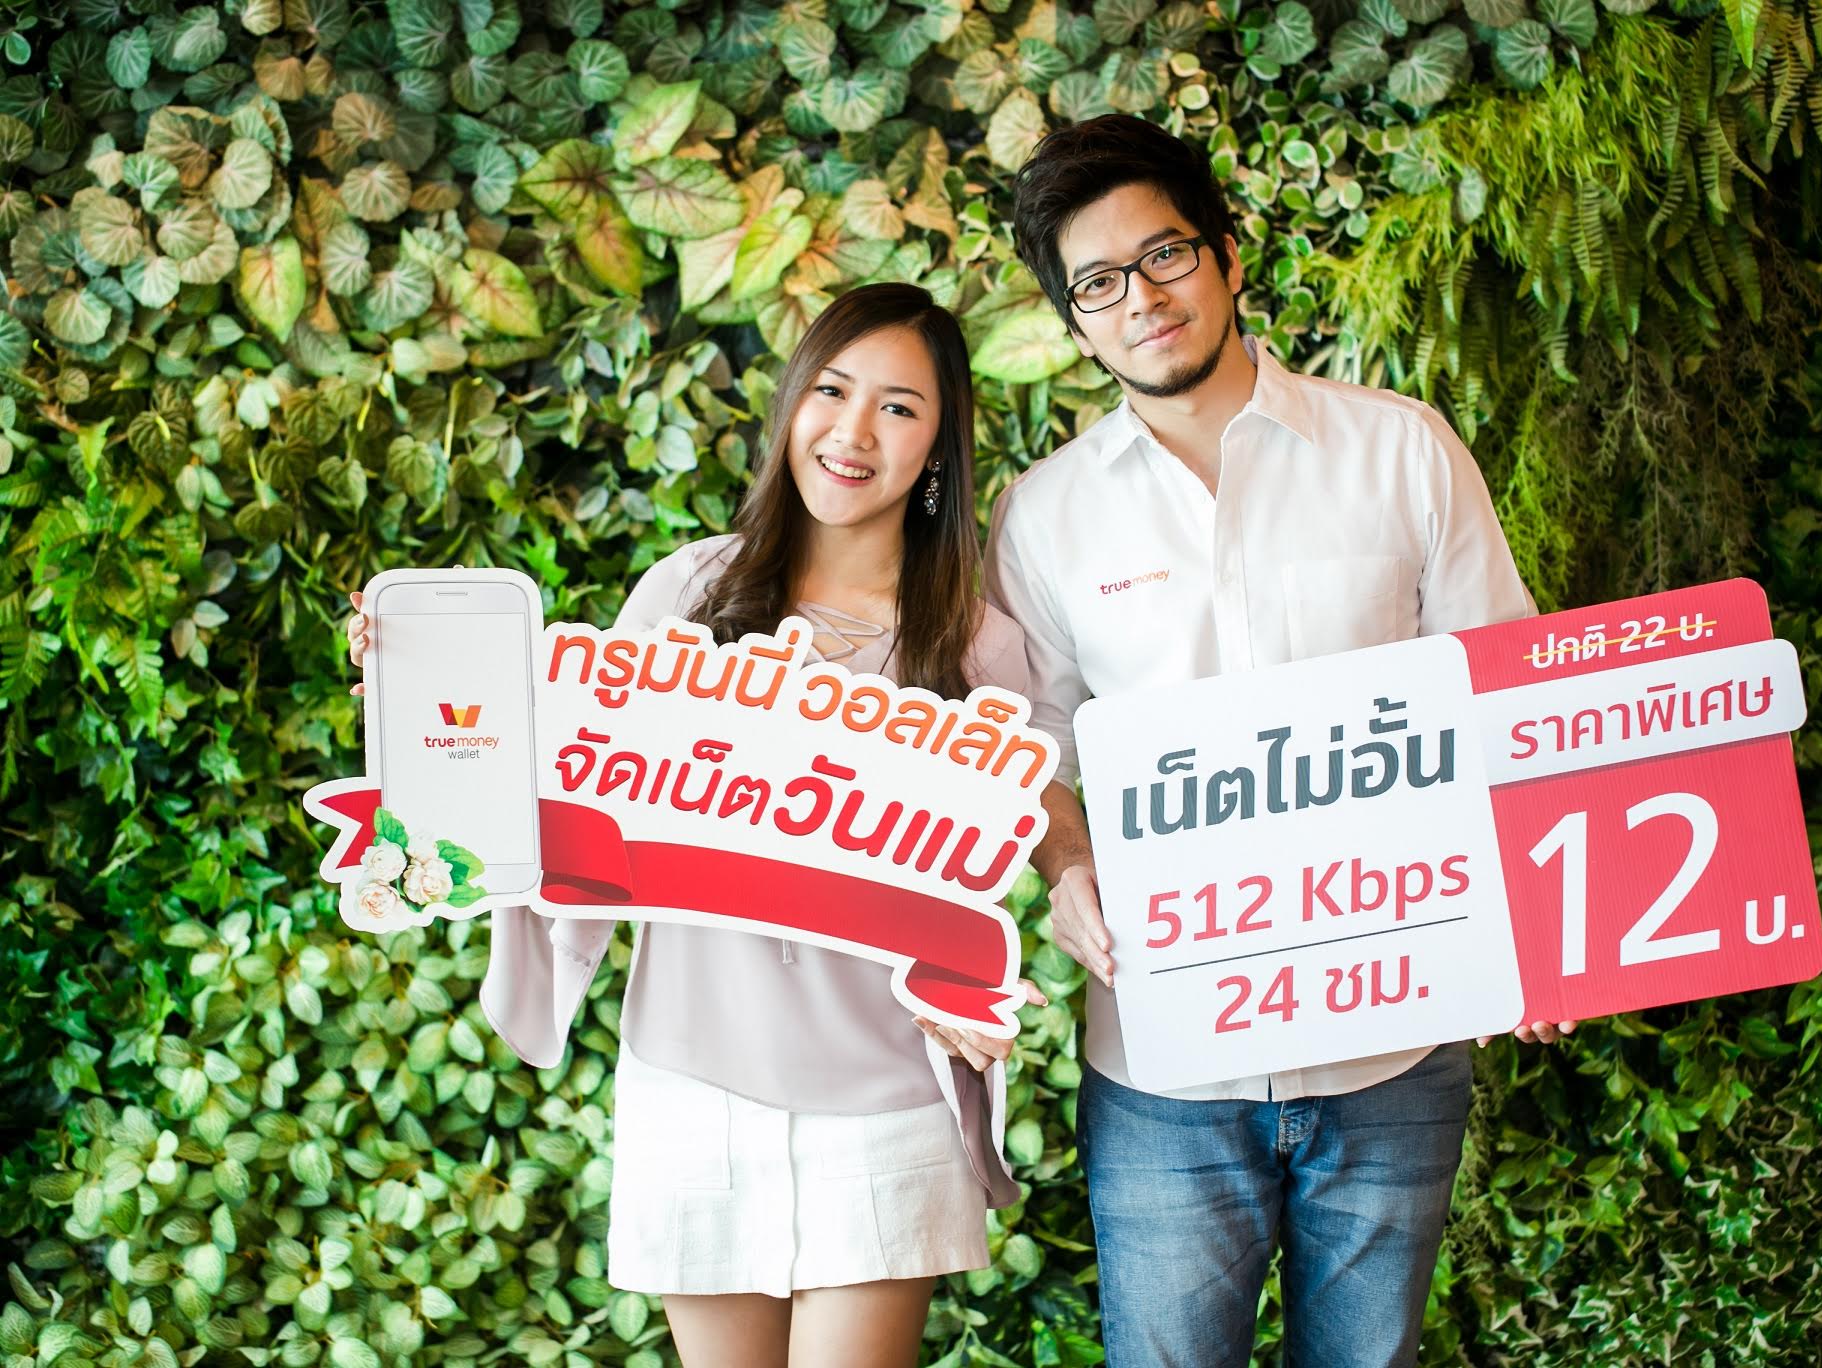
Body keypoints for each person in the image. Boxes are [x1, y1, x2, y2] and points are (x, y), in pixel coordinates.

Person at [347, 283, 1043, 1368]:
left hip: (882, 1100)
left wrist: (975, 990)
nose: (854, 432)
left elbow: (993, 876)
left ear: (940, 449)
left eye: (900, 407)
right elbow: (562, 792)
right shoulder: (689, 593)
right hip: (691, 1082)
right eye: (832, 390)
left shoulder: (977, 646)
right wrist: (422, 695)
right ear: (792, 405)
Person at [983, 115, 1578, 1367]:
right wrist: (1066, 867)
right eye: (1099, 283)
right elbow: (1030, 749)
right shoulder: (1042, 517)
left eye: (1165, 255)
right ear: (1075, 323)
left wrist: (1544, 928)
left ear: (1227, 255)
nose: (1143, 299)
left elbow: (1508, 700)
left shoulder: (1401, 450)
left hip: (1394, 1051)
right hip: (1164, 1070)